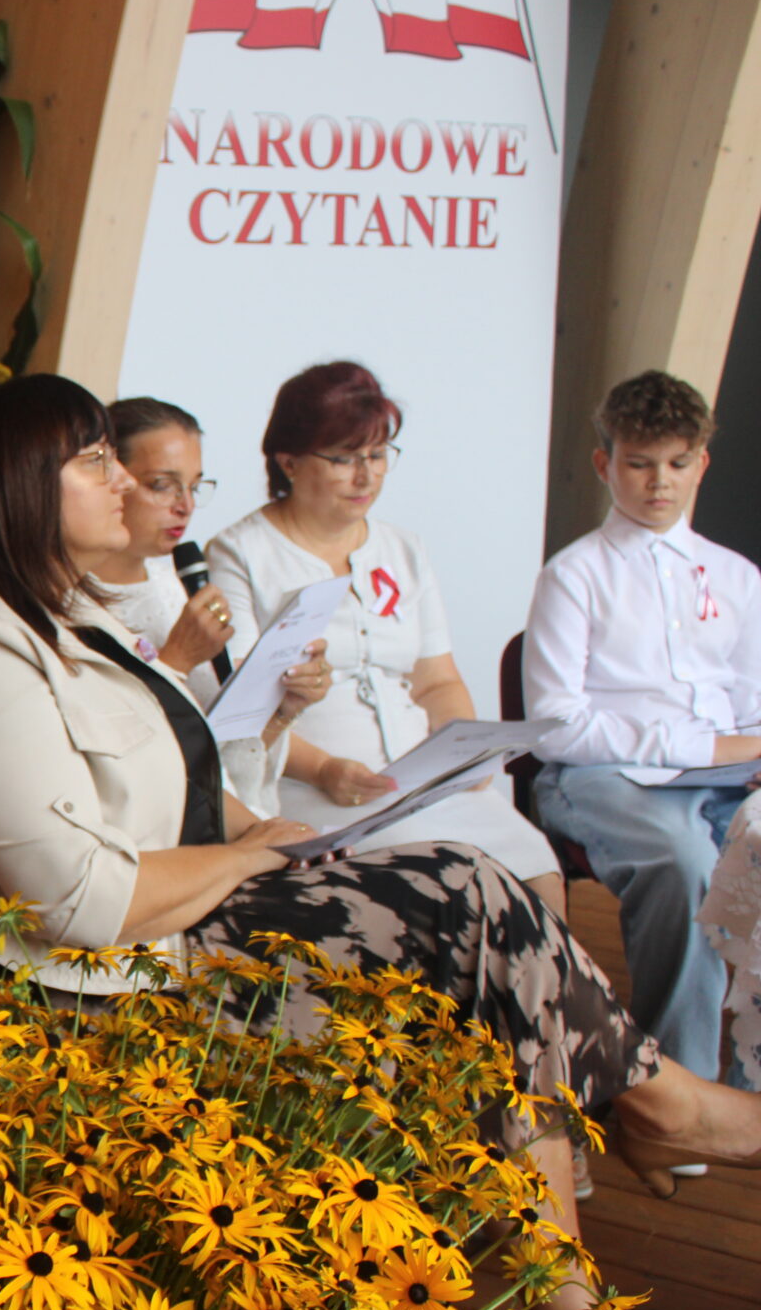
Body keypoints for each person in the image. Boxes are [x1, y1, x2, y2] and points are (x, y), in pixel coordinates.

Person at [0, 373, 761, 1245]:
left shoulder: (69, 618)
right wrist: (257, 852)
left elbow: (175, 779)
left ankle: (576, 1270)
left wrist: (248, 826)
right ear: (17, 483)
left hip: (183, 919)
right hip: (121, 985)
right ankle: (645, 1141)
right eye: (97, 461)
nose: (130, 485)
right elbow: (81, 903)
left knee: (481, 893)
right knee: (471, 912)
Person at [522, 372, 761, 1178]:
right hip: (601, 777)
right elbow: (557, 723)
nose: (658, 481)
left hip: (729, 775)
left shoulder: (734, 575)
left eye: (676, 462)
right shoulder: (574, 574)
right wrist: (699, 746)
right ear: (604, 463)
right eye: (638, 463)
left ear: (702, 462)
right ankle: (681, 1102)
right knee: (686, 862)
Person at [207, 360, 567, 918]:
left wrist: (462, 758)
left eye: (377, 456)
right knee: (445, 888)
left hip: (421, 781)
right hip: (316, 790)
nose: (366, 476)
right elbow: (241, 710)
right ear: (289, 461)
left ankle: (541, 1008)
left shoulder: (403, 548)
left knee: (536, 867)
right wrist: (326, 769)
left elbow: (437, 681)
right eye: (345, 458)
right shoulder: (240, 554)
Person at [81, 396, 333, 816]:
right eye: (162, 485)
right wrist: (176, 659)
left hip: (241, 822)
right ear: (113, 479)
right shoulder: (73, 605)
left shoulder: (176, 587)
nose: (185, 505)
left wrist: (283, 708)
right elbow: (122, 769)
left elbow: (221, 763)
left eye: (195, 486)